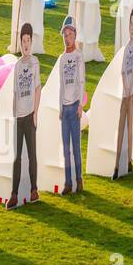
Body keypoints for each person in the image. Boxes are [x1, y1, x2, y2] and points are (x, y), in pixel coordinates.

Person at [6, 23, 41, 208]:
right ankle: (14, 194)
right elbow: (15, 92)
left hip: (30, 115)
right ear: (19, 43)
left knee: (32, 154)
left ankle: (34, 190)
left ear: (31, 42)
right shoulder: (18, 65)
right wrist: (14, 115)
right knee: (17, 156)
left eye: (28, 40)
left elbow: (37, 88)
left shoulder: (35, 62)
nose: (26, 44)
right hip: (18, 117)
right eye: (23, 40)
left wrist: (35, 113)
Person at [56, 17, 86, 195]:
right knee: (65, 148)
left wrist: (80, 105)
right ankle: (67, 182)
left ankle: (79, 179)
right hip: (64, 107)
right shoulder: (62, 58)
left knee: (76, 146)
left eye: (70, 34)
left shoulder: (78, 56)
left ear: (75, 35)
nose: (67, 38)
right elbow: (61, 84)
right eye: (65, 35)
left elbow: (81, 81)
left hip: (74, 105)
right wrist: (61, 106)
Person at [116, 9, 133, 179]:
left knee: (130, 126)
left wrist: (131, 86)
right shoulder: (124, 47)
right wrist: (126, 88)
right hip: (124, 92)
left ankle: (129, 159)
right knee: (121, 127)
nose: (132, 26)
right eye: (130, 23)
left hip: (131, 91)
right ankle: (117, 162)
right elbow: (122, 70)